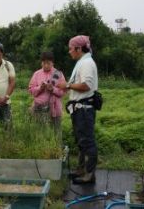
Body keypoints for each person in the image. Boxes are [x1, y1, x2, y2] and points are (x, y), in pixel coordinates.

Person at [58, 35, 98, 184]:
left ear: (78, 48)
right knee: (81, 141)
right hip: (79, 109)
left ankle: (89, 174)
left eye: (70, 48)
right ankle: (82, 170)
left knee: (87, 141)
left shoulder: (87, 63)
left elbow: (86, 85)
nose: (69, 52)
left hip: (84, 109)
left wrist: (67, 85)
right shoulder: (83, 62)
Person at [28, 51, 66, 142]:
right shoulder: (37, 74)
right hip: (39, 108)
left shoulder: (58, 74)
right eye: (44, 63)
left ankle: (57, 152)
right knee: (40, 132)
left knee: (56, 131)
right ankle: (43, 152)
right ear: (41, 63)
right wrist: (40, 88)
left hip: (55, 108)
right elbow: (31, 90)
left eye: (48, 63)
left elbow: (63, 92)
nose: (46, 65)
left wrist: (53, 89)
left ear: (52, 63)